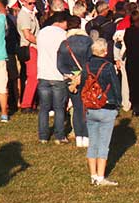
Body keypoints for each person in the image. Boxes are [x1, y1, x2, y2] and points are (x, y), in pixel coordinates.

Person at [85, 38, 122, 186]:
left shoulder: (86, 65)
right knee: (103, 144)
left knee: (92, 142)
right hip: (107, 106)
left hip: (90, 107)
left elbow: (83, 84)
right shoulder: (108, 66)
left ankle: (93, 175)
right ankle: (100, 177)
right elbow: (115, 86)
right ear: (105, 51)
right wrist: (118, 104)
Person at [57, 15, 93, 146]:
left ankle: (79, 136)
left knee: (77, 107)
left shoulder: (64, 43)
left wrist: (71, 75)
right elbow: (91, 61)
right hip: (85, 76)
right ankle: (87, 135)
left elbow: (60, 65)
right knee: (87, 107)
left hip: (71, 79)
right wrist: (82, 74)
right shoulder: (88, 41)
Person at [37, 15, 70, 143]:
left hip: (43, 73)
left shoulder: (42, 32)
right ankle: (60, 135)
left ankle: (43, 136)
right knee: (59, 107)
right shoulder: (63, 34)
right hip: (58, 75)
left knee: (44, 108)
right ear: (62, 21)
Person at [17, 0, 40, 111]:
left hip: (33, 47)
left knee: (33, 76)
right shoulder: (24, 15)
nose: (32, 5)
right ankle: (26, 104)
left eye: (34, 3)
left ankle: (32, 102)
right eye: (30, 3)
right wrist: (40, 43)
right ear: (24, 3)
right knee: (33, 76)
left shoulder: (31, 14)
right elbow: (27, 35)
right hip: (30, 47)